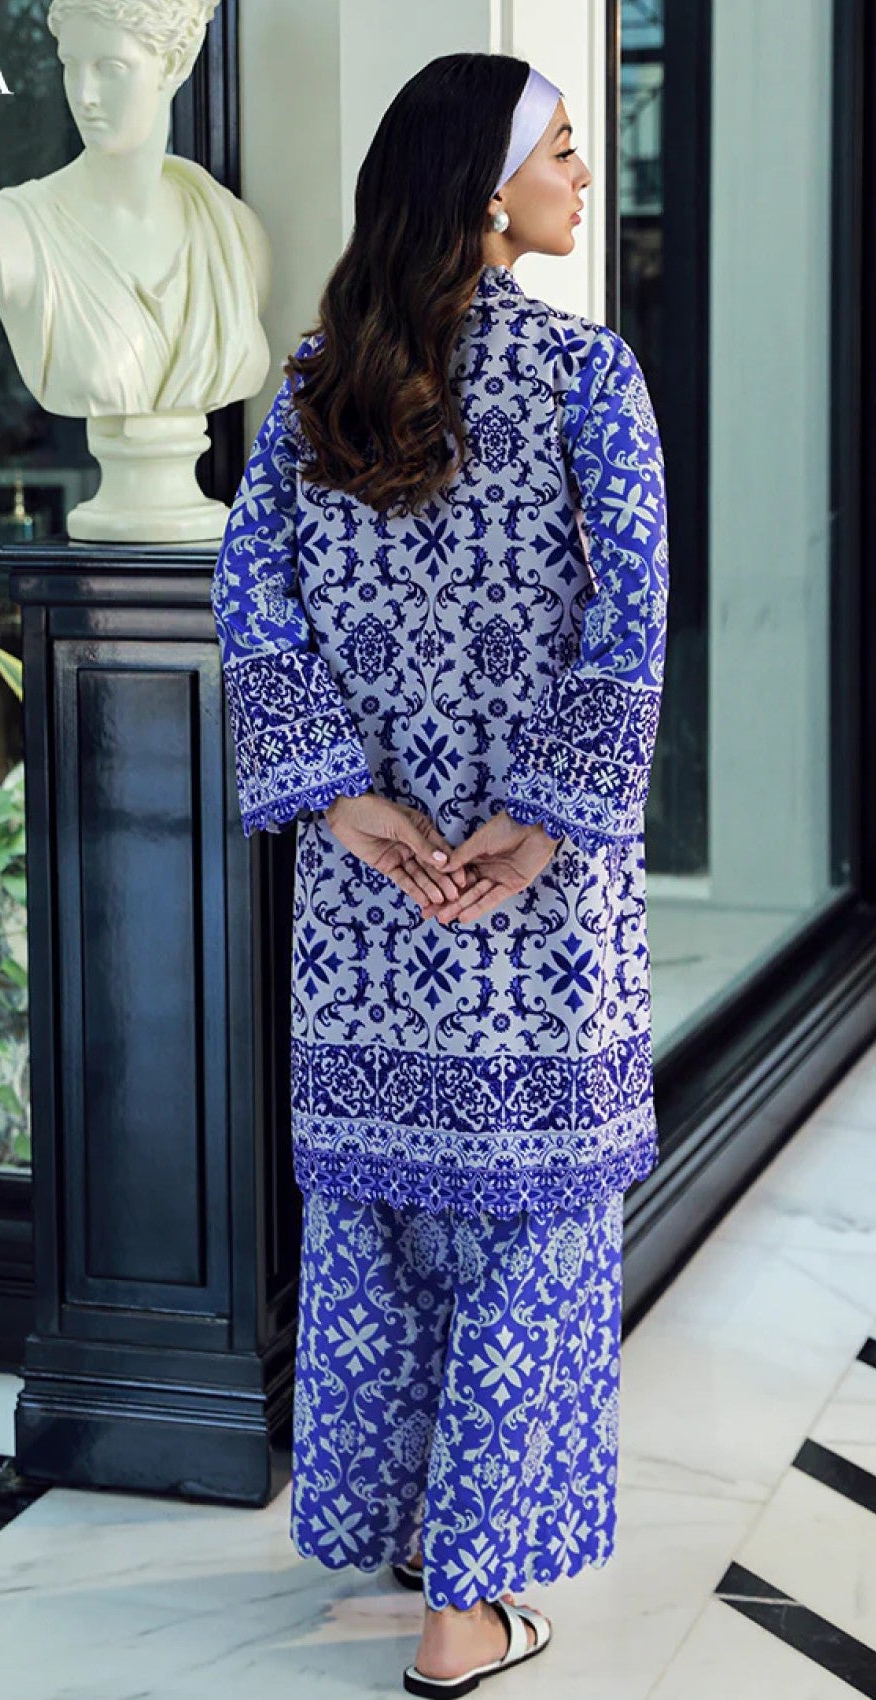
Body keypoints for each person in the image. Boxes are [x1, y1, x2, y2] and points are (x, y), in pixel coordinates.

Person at [210, 52, 667, 1698]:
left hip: (374, 899)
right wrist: (540, 821)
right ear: (485, 192)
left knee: (390, 1225)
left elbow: (251, 606)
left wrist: (344, 807)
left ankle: (404, 1529)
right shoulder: (588, 375)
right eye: (561, 149)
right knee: (533, 1235)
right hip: (533, 909)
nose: (581, 173)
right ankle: (466, 1613)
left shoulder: (318, 382)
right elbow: (630, 619)